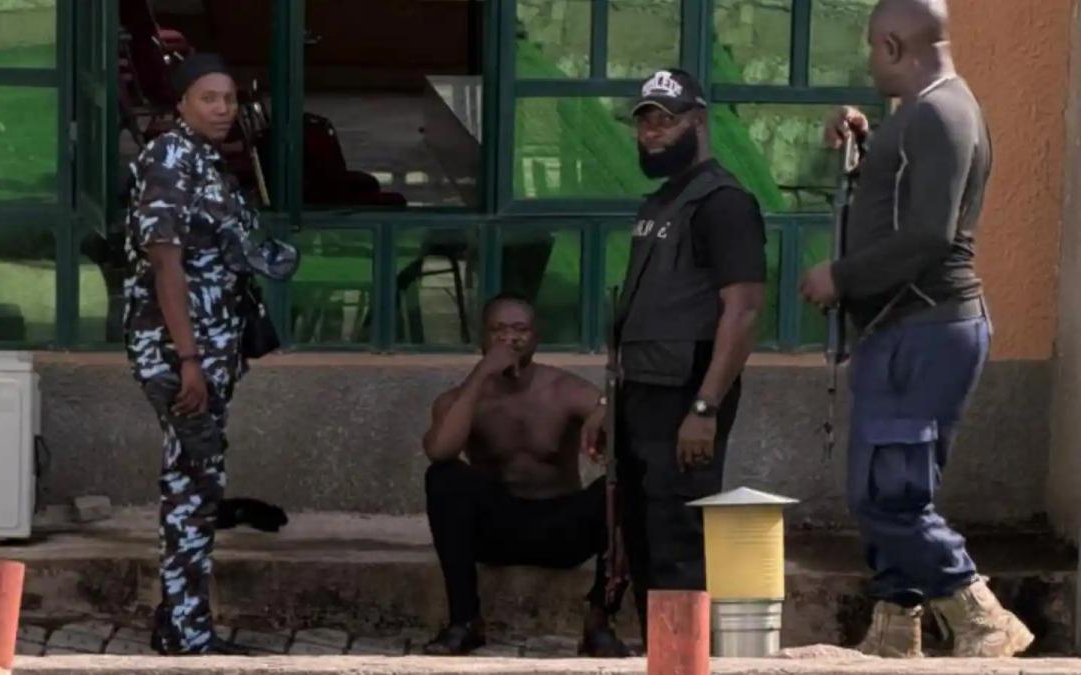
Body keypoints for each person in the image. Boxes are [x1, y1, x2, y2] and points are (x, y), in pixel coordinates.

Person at [800, 0, 1033, 659]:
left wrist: (841, 276)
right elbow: (906, 198)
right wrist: (867, 140)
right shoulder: (927, 113)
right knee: (892, 483)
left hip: (925, 327)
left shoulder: (940, 114)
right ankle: (896, 627)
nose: (870, 62)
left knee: (887, 494)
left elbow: (929, 233)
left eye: (873, 49)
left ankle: (981, 614)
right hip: (910, 328)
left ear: (894, 47)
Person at [580, 68, 766, 634]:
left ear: (698, 122)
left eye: (666, 120)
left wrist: (705, 408)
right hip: (640, 394)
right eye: (645, 122)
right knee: (638, 537)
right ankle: (657, 653)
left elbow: (743, 311)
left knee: (678, 541)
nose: (652, 133)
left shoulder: (724, 203)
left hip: (686, 397)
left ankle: (682, 660)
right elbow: (644, 312)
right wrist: (610, 403)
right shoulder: (661, 203)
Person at [122, 53, 258, 656]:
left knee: (194, 479)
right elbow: (165, 264)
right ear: (181, 103)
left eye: (230, 98)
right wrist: (189, 361)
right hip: (178, 353)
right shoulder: (170, 159)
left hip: (208, 350)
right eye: (209, 98)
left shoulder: (205, 159)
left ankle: (177, 621)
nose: (223, 109)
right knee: (195, 485)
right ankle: (187, 634)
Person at [421, 292, 630, 658]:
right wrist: (482, 374)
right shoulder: (459, 399)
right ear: (481, 338)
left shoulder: (563, 389)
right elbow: (440, 451)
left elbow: (616, 417)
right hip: (496, 529)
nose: (509, 339)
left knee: (628, 483)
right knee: (443, 477)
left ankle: (599, 621)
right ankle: (465, 621)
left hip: (561, 527)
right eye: (498, 330)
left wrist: (605, 409)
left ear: (536, 338)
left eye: (520, 330)